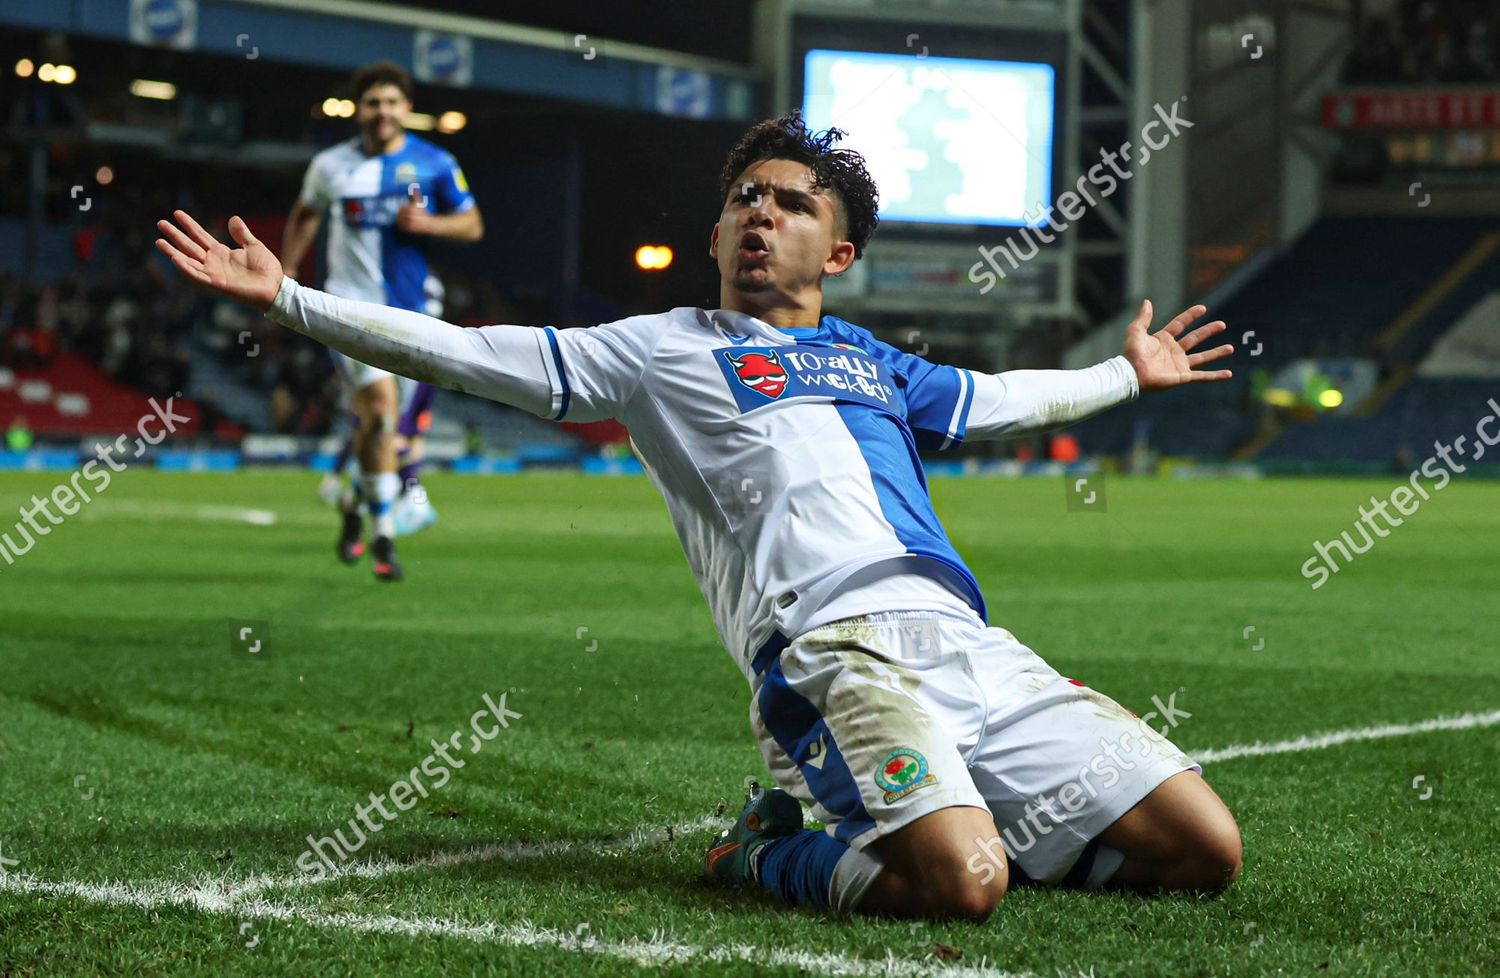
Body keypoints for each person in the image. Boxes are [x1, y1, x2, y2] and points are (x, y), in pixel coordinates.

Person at [155, 112, 1240, 919]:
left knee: (1205, 849)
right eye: (744, 201)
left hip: (974, 647)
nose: (760, 214)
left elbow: (1002, 401)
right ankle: (762, 854)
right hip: (832, 654)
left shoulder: (875, 361)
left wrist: (1124, 376)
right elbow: (472, 353)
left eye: (792, 203)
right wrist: (293, 300)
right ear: (719, 236)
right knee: (963, 887)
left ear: (840, 254)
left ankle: (958, 809)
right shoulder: (656, 350)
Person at [279, 60, 483, 580]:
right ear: (358, 110)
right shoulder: (330, 166)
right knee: (381, 410)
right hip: (350, 309)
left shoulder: (436, 162)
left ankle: (352, 504)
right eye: (373, 102)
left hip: (417, 312)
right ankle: (386, 538)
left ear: (407, 109)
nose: (383, 112)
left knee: (386, 428)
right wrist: (285, 272)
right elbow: (304, 213)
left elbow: (472, 225)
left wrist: (430, 222)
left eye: (392, 102)